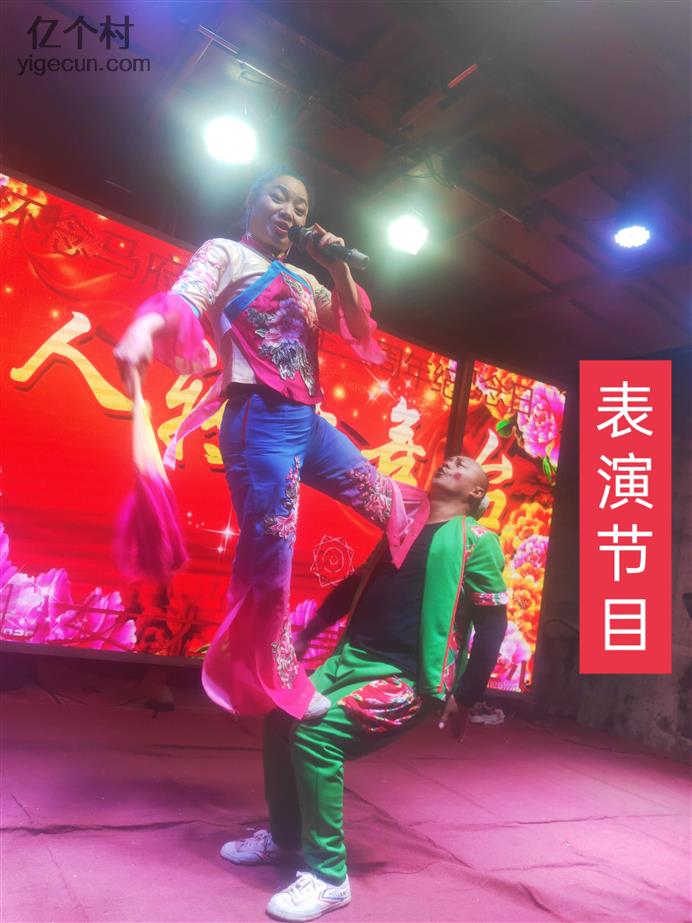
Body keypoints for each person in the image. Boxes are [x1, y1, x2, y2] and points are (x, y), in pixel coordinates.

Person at [114, 168, 425, 721]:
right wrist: (141, 331)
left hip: (309, 424)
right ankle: (277, 680)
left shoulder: (304, 280)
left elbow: (356, 328)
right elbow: (184, 300)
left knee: (397, 507)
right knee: (272, 560)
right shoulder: (226, 253)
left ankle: (406, 630)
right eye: (279, 197)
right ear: (252, 202)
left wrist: (337, 266)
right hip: (259, 424)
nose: (290, 211)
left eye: (301, 206)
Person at [221, 455, 509, 922]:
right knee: (281, 717)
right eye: (450, 459)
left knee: (316, 736)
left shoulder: (478, 541)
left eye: (465, 465)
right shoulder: (403, 528)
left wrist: (467, 695)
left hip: (405, 678)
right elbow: (356, 584)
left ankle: (329, 878)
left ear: (477, 493)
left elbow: (493, 623)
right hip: (348, 660)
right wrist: (309, 632)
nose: (453, 460)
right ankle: (285, 838)